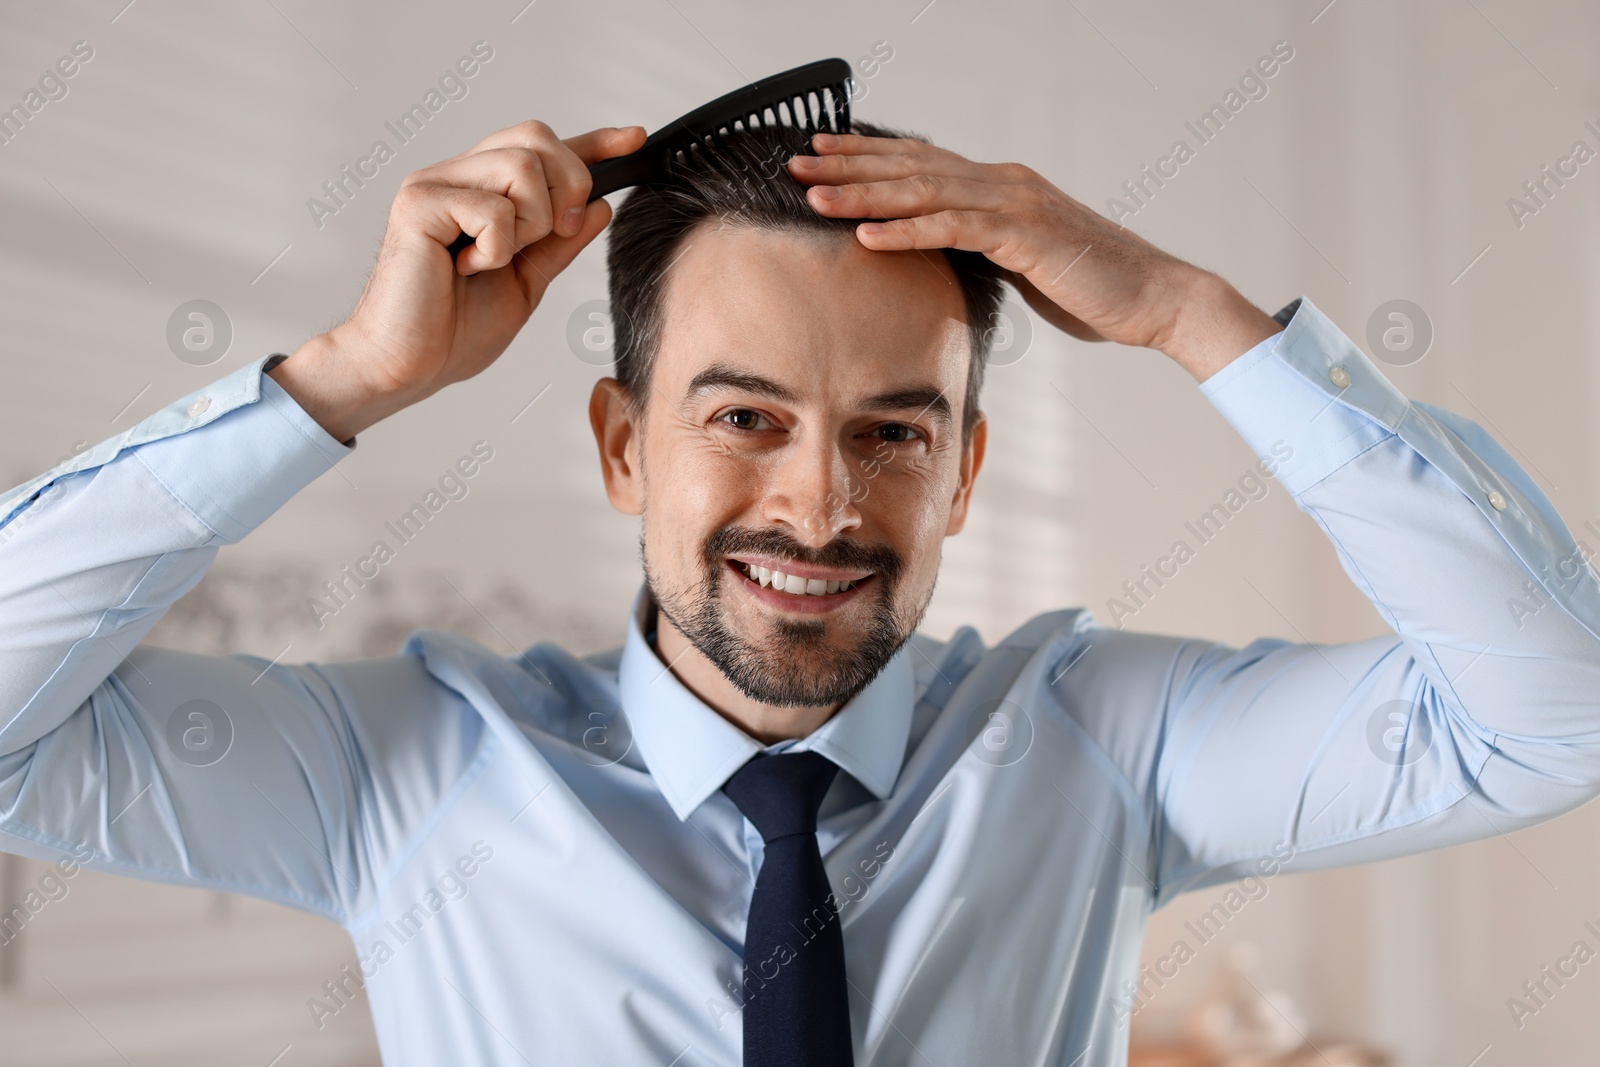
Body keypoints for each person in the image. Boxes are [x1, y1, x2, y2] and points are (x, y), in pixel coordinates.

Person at [1, 115, 1597, 1067]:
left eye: (894, 432)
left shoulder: (1105, 745)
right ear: (624, 445)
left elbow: (1553, 717)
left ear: (965, 473)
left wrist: (1193, 316)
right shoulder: (402, 774)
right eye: (743, 417)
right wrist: (341, 379)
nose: (822, 505)